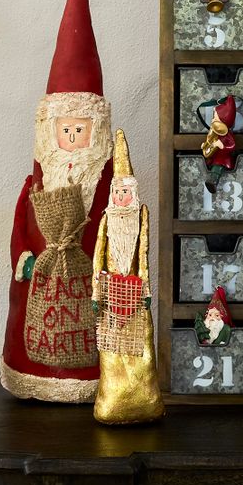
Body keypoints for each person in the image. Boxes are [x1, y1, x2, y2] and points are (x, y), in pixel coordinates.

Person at [1, 0, 113, 403]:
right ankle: (32, 372)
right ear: (50, 130)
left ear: (95, 130)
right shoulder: (37, 183)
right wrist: (24, 261)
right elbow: (19, 230)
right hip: (40, 286)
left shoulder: (104, 186)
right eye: (64, 129)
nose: (72, 139)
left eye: (80, 130)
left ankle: (89, 372)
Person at [92, 130, 164, 425]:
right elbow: (98, 255)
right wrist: (97, 293)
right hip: (111, 296)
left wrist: (146, 290)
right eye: (117, 192)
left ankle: (146, 403)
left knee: (142, 347)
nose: (121, 197)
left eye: (126, 192)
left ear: (133, 194)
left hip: (134, 295)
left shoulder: (141, 216)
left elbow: (143, 253)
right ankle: (110, 403)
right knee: (110, 351)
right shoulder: (107, 219)